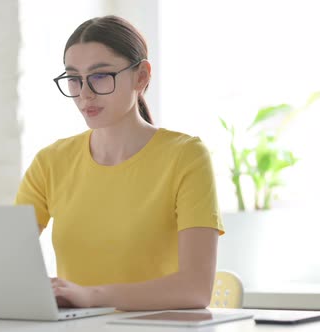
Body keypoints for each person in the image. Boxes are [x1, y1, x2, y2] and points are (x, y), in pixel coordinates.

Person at [15, 15, 224, 311]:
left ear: (141, 76)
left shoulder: (185, 155)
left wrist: (92, 297)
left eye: (100, 76)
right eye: (74, 78)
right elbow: (5, 262)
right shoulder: (50, 161)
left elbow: (195, 289)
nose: (85, 93)